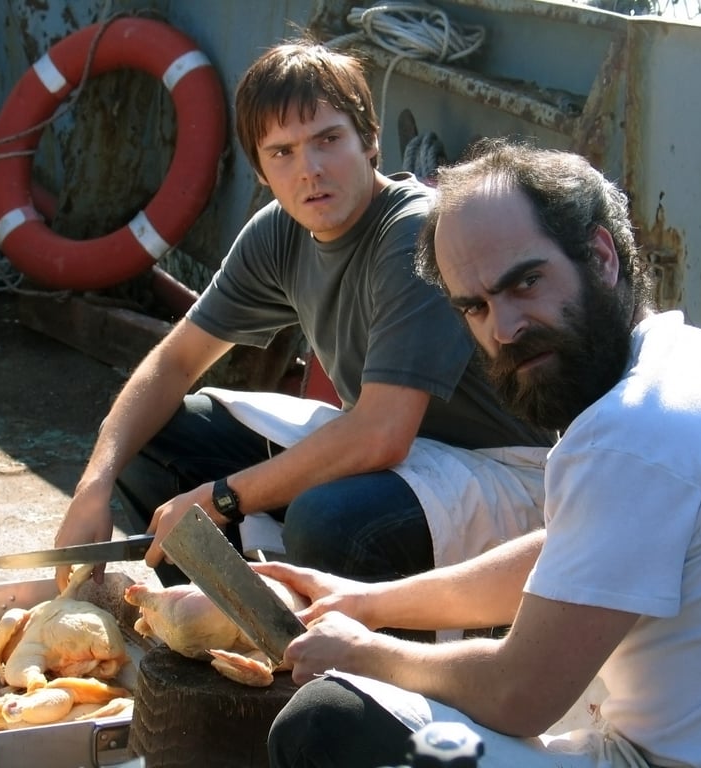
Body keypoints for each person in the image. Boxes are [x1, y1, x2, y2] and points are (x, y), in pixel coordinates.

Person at [257, 139, 701, 767]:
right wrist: (369, 602)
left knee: (328, 725)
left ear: (600, 255)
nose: (503, 329)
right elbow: (573, 552)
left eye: (526, 283)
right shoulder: (683, 358)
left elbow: (520, 696)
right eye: (475, 307)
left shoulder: (633, 435)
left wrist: (364, 651)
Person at [53, 41, 553, 590]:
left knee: (327, 518)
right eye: (282, 152)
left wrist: (221, 496)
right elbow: (174, 362)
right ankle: (221, 630)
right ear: (262, 171)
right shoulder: (278, 233)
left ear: (370, 140)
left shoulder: (415, 232)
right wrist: (92, 487)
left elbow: (382, 435)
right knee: (157, 436)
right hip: (403, 462)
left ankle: (349, 654)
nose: (309, 170)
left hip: (505, 476)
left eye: (327, 140)